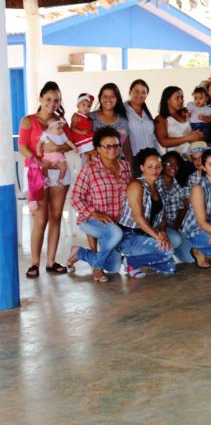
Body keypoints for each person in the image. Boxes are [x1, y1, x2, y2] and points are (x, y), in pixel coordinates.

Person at [18, 82, 74, 277]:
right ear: (41, 98)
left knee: (56, 216)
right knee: (40, 219)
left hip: (58, 171)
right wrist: (39, 162)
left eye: (56, 100)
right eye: (48, 99)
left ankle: (51, 261)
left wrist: (57, 148)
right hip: (37, 172)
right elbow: (22, 146)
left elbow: (70, 144)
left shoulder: (61, 122)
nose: (52, 103)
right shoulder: (28, 121)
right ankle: (34, 263)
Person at [67, 127, 132, 283]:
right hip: (90, 219)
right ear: (98, 149)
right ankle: (97, 268)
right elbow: (75, 198)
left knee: (114, 267)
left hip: (115, 222)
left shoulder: (125, 167)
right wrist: (95, 213)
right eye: (107, 146)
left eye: (116, 145)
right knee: (115, 233)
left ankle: (80, 252)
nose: (112, 149)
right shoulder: (89, 170)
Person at [113, 149, 182, 277]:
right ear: (142, 168)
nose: (154, 170)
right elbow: (138, 217)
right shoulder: (136, 185)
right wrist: (157, 237)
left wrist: (162, 233)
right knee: (167, 251)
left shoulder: (158, 186)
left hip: (147, 233)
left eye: (158, 167)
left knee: (170, 268)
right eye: (150, 167)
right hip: (130, 235)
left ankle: (141, 258)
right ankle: (130, 261)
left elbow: (162, 217)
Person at [159, 151, 192, 263]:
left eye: (176, 164)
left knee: (190, 259)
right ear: (162, 165)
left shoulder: (178, 184)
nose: (173, 167)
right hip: (158, 227)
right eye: (169, 164)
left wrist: (176, 228)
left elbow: (180, 209)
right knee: (176, 240)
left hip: (173, 225)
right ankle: (159, 255)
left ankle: (172, 248)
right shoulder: (156, 182)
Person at [155, 86, 203, 157]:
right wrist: (187, 138)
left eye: (182, 98)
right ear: (168, 100)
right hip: (175, 159)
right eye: (177, 98)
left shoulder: (186, 114)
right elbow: (163, 142)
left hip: (193, 157)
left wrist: (197, 135)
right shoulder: (161, 119)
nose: (181, 101)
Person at [90, 83, 132, 159]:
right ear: (100, 98)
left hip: (118, 163)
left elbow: (126, 148)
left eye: (112, 96)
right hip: (96, 163)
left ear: (117, 99)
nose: (108, 99)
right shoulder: (90, 117)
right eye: (105, 96)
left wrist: (129, 166)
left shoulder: (123, 121)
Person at [125, 79, 158, 158]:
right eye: (136, 91)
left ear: (146, 95)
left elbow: (153, 138)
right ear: (130, 92)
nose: (140, 95)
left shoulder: (147, 114)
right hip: (133, 158)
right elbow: (121, 138)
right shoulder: (122, 111)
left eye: (143, 92)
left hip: (151, 158)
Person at [36, 119, 75, 185]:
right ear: (51, 128)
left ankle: (60, 180)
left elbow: (68, 142)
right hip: (48, 157)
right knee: (44, 166)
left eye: (62, 128)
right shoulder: (46, 135)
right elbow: (39, 143)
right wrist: (38, 151)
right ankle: (46, 178)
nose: (61, 130)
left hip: (59, 157)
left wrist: (74, 148)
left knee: (64, 168)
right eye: (58, 128)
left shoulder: (62, 135)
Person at [69, 93, 95, 162]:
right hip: (82, 138)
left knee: (91, 155)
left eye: (89, 106)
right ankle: (90, 164)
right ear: (78, 105)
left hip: (87, 136)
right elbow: (72, 128)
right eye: (83, 105)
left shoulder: (87, 116)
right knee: (91, 153)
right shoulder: (76, 116)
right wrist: (81, 132)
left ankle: (91, 165)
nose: (86, 108)